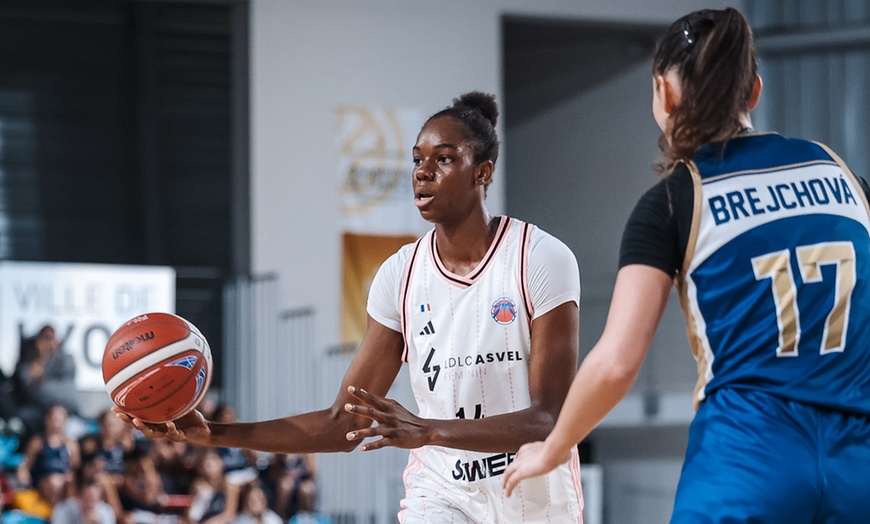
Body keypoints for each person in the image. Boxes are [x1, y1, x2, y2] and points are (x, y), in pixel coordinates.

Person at [116, 91, 584, 522]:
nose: (423, 172)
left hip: (533, 490)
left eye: (444, 160)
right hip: (443, 492)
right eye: (418, 160)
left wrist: (429, 430)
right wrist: (211, 435)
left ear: (482, 172)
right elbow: (343, 423)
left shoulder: (539, 259)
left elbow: (548, 417)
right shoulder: (399, 276)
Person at [503, 7, 870, 524]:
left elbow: (617, 362)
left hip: (747, 460)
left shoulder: (675, 201)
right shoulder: (843, 176)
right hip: (858, 463)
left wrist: (554, 445)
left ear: (664, 93)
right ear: (755, 91)